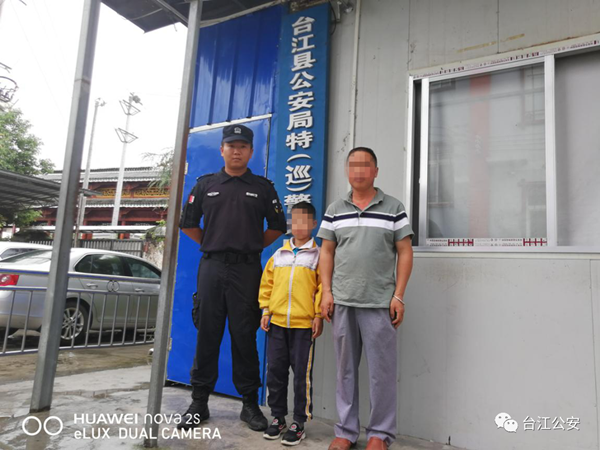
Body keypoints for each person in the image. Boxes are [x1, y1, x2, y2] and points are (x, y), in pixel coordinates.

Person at [178, 124, 287, 432]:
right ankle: (199, 402)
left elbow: (277, 226)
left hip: (247, 270)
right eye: (231, 146)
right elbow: (188, 223)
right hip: (212, 268)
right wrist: (213, 242)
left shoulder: (262, 187)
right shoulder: (205, 184)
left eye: (242, 146)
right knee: (207, 334)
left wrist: (250, 245)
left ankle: (249, 404)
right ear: (222, 150)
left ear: (250, 152)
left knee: (244, 336)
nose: (236, 151)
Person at [317, 147, 414, 450]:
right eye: (353, 165)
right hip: (342, 302)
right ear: (347, 170)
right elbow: (326, 252)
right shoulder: (335, 209)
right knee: (344, 371)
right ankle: (345, 432)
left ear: (376, 171)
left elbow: (405, 252)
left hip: (379, 303)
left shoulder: (393, 207)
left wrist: (398, 296)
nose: (358, 171)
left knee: (381, 373)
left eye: (365, 165)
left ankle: (379, 434)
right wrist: (326, 292)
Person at [258, 201, 323, 446]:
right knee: (275, 372)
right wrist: (266, 310)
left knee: (301, 376)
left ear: (313, 224)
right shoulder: (279, 254)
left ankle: (298, 422)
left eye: (304, 221)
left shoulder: (318, 256)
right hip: (277, 324)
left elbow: (322, 289)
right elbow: (267, 285)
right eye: (294, 221)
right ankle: (278, 418)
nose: (299, 226)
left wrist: (318, 315)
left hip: (303, 326)